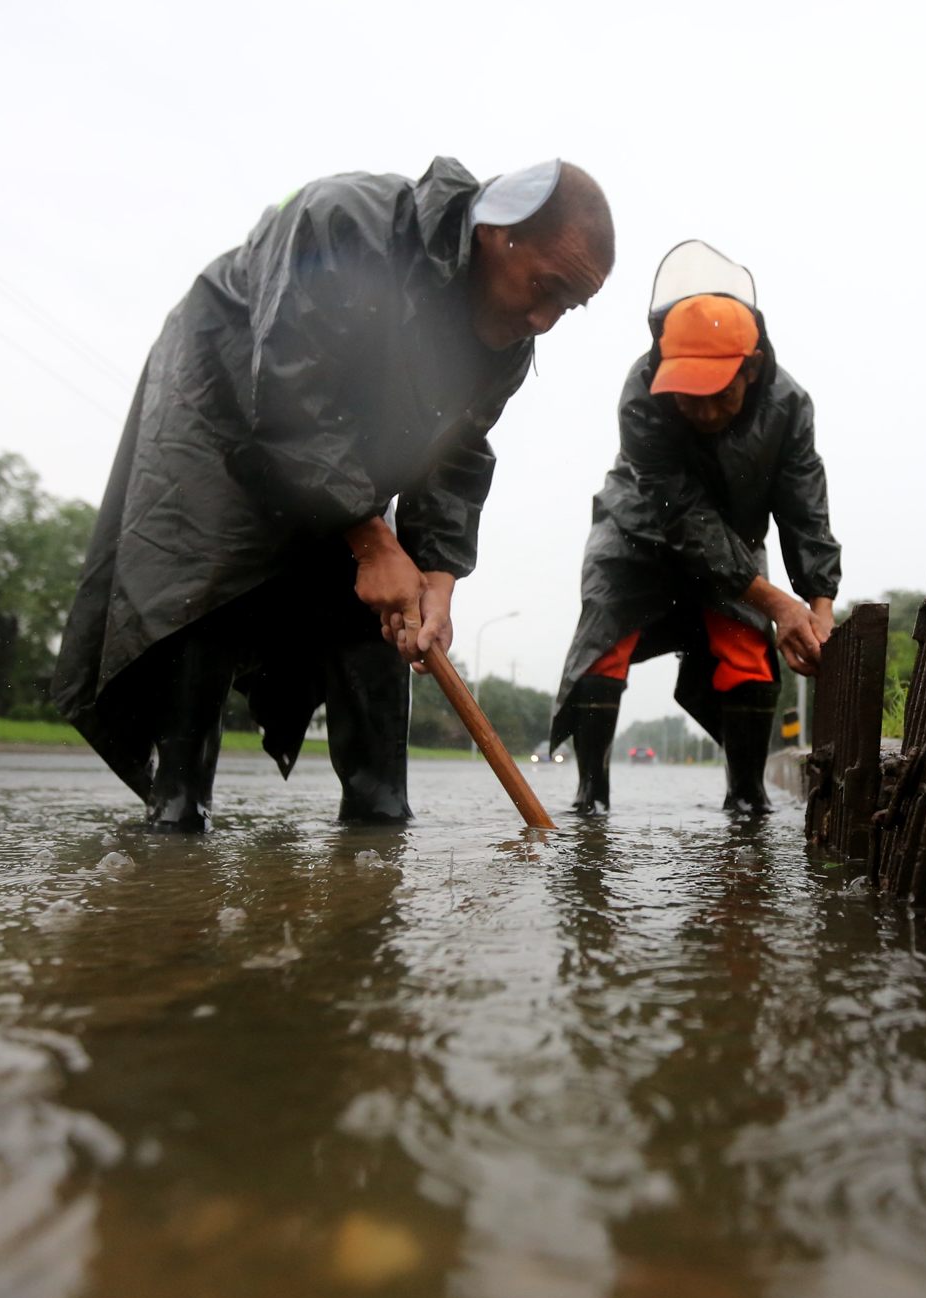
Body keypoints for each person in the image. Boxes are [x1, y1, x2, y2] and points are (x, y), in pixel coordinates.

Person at [53, 157, 614, 831]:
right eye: (545, 288)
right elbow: (287, 389)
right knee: (202, 585)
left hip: (339, 454)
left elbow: (456, 454)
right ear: (499, 234)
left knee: (384, 613)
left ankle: (379, 817)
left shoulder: (506, 343)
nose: (546, 319)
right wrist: (372, 537)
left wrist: (436, 576)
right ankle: (177, 814)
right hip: (222, 400)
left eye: (568, 306)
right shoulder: (348, 221)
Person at [549, 241, 840, 817]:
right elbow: (681, 516)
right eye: (690, 397)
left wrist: (819, 604)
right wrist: (778, 602)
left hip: (732, 540)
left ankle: (747, 793)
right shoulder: (642, 394)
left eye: (720, 395)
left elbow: (805, 505)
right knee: (603, 648)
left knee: (749, 649)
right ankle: (590, 793)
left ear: (751, 367)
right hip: (638, 531)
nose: (704, 413)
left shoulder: (789, 407)